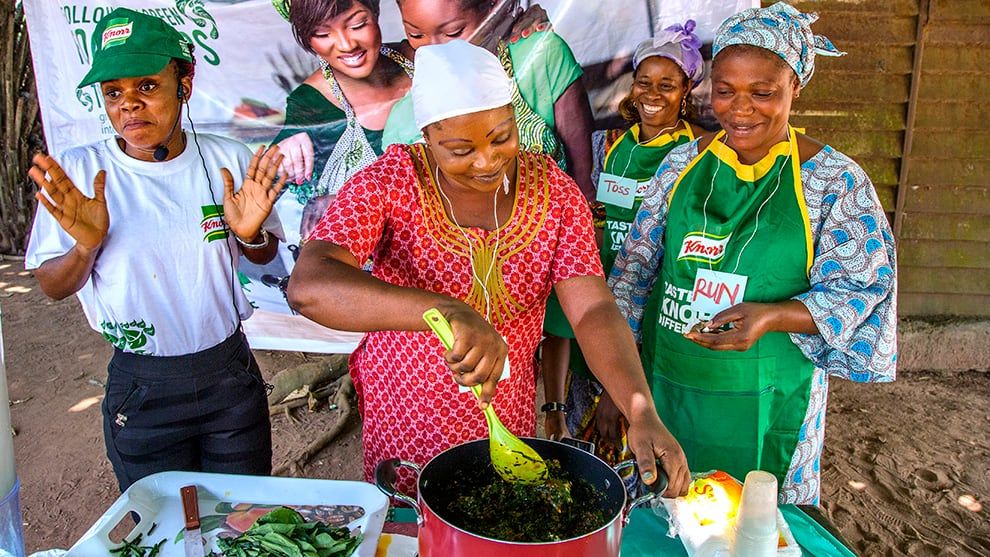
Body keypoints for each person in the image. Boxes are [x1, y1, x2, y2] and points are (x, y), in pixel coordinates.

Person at [287, 40, 689, 497]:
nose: (487, 161)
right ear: (428, 136)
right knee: (411, 528)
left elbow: (592, 308)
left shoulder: (554, 193)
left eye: (501, 137)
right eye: (459, 149)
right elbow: (310, 284)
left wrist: (639, 409)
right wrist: (446, 311)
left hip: (505, 421)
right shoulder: (392, 181)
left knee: (497, 518)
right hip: (406, 420)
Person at [609, 2, 897, 505]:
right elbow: (633, 272)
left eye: (762, 93)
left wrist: (771, 315)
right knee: (667, 517)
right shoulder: (681, 163)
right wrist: (622, 392)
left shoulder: (834, 182)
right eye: (724, 91)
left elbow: (863, 287)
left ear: (795, 88)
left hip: (773, 396)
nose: (740, 110)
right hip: (667, 389)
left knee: (758, 525)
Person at [24, 8, 286, 492]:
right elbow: (52, 286)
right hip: (143, 387)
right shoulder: (80, 175)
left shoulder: (228, 159)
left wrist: (249, 235)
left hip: (229, 376)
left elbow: (265, 257)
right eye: (113, 93)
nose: (129, 105)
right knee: (163, 530)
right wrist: (86, 246)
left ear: (184, 83)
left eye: (146, 86)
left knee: (241, 519)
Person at [547, 21, 708, 472]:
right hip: (596, 295)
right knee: (586, 442)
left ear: (686, 90)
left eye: (667, 85)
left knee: (637, 440)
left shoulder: (698, 153)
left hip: (651, 307)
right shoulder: (606, 145)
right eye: (644, 81)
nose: (653, 94)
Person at [270, 0, 414, 240]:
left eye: (357, 25)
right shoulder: (310, 105)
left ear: (375, 11)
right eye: (322, 33)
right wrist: (280, 155)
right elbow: (257, 190)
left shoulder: (419, 56)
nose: (347, 45)